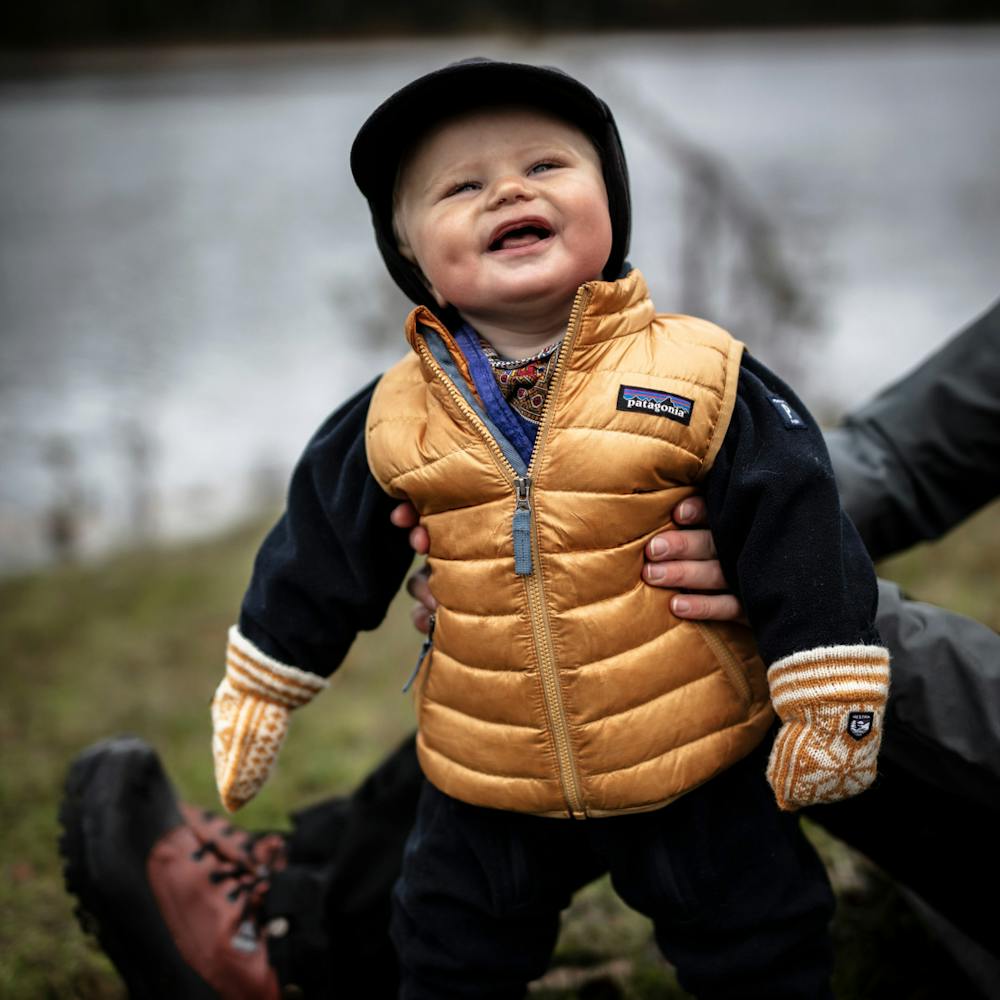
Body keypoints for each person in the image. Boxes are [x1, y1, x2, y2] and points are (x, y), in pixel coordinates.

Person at [59, 300, 1000, 997]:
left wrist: (803, 600)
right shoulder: (407, 408)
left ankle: (303, 939)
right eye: (459, 184)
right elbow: (905, 451)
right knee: (500, 746)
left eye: (547, 165)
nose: (509, 190)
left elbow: (801, 514)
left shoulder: (708, 369)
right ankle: (313, 888)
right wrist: (618, 520)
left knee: (746, 895)